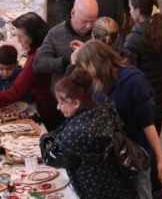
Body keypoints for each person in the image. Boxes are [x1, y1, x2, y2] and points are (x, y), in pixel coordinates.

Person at [75, 40, 162, 199]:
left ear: (97, 62)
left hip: (136, 153)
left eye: (86, 66)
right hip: (115, 155)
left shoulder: (134, 81)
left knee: (143, 192)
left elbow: (148, 124)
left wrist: (161, 159)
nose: (85, 72)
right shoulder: (98, 82)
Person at [44, 68, 138, 199]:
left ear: (76, 103)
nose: (58, 107)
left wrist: (45, 140)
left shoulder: (74, 132)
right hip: (119, 181)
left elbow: (56, 159)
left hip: (94, 188)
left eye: (61, 102)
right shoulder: (105, 108)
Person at [0, 13, 62, 129]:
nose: (18, 40)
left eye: (21, 36)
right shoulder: (46, 48)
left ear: (33, 36)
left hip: (49, 108)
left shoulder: (37, 57)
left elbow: (15, 91)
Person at [125, 0, 162, 136]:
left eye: (130, 8)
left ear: (138, 11)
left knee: (142, 142)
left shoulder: (135, 39)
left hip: (144, 100)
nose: (129, 12)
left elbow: (129, 72)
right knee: (155, 137)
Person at [35, 0, 98, 82]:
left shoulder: (100, 31)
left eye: (93, 21)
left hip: (93, 88)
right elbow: (39, 64)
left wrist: (90, 53)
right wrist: (67, 61)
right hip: (65, 87)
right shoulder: (55, 33)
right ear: (73, 13)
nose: (89, 26)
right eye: (84, 21)